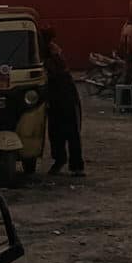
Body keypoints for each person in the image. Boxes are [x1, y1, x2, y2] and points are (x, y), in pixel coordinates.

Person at [42, 25, 84, 176]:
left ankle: (69, 163)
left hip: (62, 95)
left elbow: (55, 73)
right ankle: (72, 164)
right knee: (64, 132)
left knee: (63, 132)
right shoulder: (53, 51)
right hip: (63, 95)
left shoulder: (50, 53)